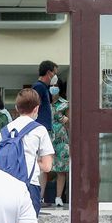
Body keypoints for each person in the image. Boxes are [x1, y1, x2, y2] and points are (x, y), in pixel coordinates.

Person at [2, 88, 55, 223]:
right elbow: (48, 166)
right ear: (37, 108)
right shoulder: (39, 130)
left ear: (16, 108)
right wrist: (36, 161)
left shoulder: (5, 130)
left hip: (4, 186)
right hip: (28, 187)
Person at [41, 79, 70, 208]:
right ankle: (41, 197)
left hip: (61, 140)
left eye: (56, 86)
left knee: (61, 169)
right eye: (51, 86)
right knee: (43, 169)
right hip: (45, 139)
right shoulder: (43, 103)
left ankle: (58, 197)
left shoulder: (65, 104)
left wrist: (66, 120)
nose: (53, 88)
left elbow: (70, 123)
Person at [31, 60, 57, 133]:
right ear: (48, 72)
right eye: (54, 73)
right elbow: (33, 107)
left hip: (43, 128)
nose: (55, 77)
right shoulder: (39, 87)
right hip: (39, 128)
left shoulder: (44, 87)